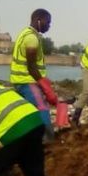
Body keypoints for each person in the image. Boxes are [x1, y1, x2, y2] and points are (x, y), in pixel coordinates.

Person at [10, 9, 57, 141]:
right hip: (27, 81)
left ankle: (24, 141)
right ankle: (47, 142)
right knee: (42, 109)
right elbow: (31, 67)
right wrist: (46, 88)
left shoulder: (26, 33)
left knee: (26, 112)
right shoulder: (31, 38)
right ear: (38, 20)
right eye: (47, 22)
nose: (49, 26)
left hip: (21, 81)